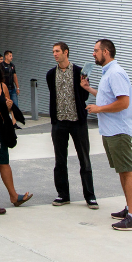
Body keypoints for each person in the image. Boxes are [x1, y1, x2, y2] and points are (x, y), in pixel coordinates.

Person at [81, 39, 132, 232]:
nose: (93, 54)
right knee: (122, 171)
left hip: (118, 131)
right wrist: (89, 90)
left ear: (106, 52)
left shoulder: (116, 73)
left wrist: (99, 108)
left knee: (127, 170)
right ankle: (130, 209)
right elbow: (107, 95)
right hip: (111, 130)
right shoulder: (108, 72)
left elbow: (123, 102)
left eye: (96, 50)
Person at [46, 42, 98, 209]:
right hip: (59, 122)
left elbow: (83, 96)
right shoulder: (50, 74)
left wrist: (85, 85)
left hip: (77, 122)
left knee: (84, 159)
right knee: (60, 160)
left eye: (57, 51)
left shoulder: (79, 72)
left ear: (66, 52)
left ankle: (90, 196)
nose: (55, 54)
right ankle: (63, 194)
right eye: (53, 51)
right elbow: (53, 96)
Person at [0, 57, 33, 207]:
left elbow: (7, 107)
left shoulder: (2, 86)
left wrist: (10, 106)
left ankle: (13, 196)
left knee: (4, 161)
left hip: (1, 130)